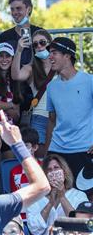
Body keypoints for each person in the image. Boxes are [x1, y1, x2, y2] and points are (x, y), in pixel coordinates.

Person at [45, 37, 93, 195]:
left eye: (54, 53)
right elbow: (52, 120)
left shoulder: (89, 81)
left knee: (85, 203)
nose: (50, 57)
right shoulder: (51, 87)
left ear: (68, 56)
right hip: (58, 151)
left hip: (84, 150)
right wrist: (47, 150)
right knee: (58, 198)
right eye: (49, 53)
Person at [11, 29, 54, 158]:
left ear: (50, 43)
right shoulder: (31, 68)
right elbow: (16, 75)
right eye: (35, 45)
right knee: (41, 156)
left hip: (60, 117)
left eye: (42, 42)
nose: (39, 46)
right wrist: (19, 50)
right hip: (39, 117)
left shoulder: (60, 64)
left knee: (58, 156)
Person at [27, 154, 88, 235]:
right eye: (49, 170)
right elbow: (34, 230)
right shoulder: (36, 198)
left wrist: (62, 197)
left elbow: (81, 225)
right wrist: (50, 203)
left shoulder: (79, 195)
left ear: (65, 172)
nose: (53, 173)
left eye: (56, 168)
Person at [0, 0, 43, 66]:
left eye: (18, 8)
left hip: (36, 76)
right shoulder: (4, 37)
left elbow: (48, 62)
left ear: (29, 9)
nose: (14, 12)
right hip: (11, 76)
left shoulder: (40, 33)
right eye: (12, 9)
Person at [10, 127, 41, 224]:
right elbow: (15, 199)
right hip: (23, 218)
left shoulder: (44, 168)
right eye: (20, 146)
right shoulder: (14, 171)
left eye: (26, 146)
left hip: (41, 216)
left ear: (35, 147)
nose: (21, 150)